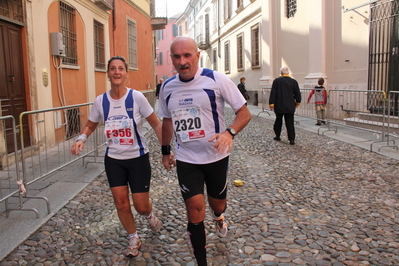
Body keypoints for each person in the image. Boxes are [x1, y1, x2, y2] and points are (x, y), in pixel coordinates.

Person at [157, 36, 251, 266]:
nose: (182, 61)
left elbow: (244, 113)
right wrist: (165, 150)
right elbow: (167, 121)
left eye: (187, 55)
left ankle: (219, 217)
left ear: (197, 55)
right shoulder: (167, 87)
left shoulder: (216, 80)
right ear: (171, 59)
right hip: (187, 158)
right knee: (194, 208)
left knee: (217, 204)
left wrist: (229, 133)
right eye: (177, 57)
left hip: (216, 156)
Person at [71, 56, 167, 258]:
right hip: (114, 159)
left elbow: (156, 124)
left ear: (126, 73)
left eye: (120, 69)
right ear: (108, 73)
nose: (116, 72)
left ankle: (149, 215)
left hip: (138, 158)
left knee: (140, 206)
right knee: (121, 203)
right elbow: (91, 124)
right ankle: (133, 237)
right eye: (113, 69)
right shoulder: (101, 101)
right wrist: (81, 138)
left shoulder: (137, 98)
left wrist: (166, 149)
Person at [269, 67, 301, 145]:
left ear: (281, 73)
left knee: (278, 121)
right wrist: (297, 102)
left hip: (279, 104)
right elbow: (298, 93)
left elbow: (273, 93)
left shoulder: (277, 81)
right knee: (290, 123)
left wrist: (271, 103)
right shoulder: (294, 82)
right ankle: (291, 139)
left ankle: (277, 135)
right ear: (288, 73)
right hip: (290, 105)